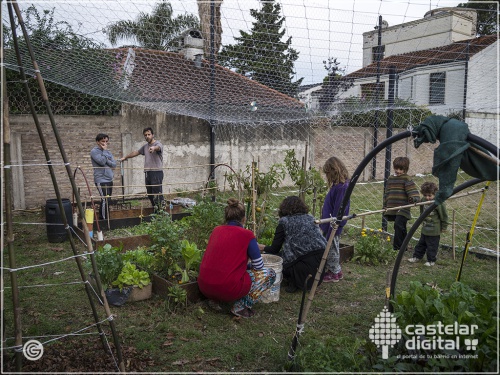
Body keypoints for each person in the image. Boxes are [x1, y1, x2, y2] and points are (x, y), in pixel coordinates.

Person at [198, 198, 276, 318]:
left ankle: (214, 300)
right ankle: (240, 307)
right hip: (227, 288)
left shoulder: (216, 230)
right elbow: (259, 267)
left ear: (226, 218)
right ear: (243, 219)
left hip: (204, 286)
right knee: (270, 274)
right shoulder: (247, 235)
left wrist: (245, 265)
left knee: (225, 273)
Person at [259, 196, 327, 293]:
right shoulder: (310, 218)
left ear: (283, 209)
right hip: (320, 263)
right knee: (292, 254)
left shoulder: (284, 222)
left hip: (302, 267)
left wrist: (261, 247)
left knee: (275, 259)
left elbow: (274, 249)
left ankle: (293, 280)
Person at [320, 156, 351, 283]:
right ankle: (333, 270)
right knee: (330, 245)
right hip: (329, 222)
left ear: (334, 170)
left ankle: (335, 272)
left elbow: (340, 207)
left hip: (334, 223)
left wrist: (337, 222)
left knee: (331, 247)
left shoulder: (342, 188)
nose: (327, 176)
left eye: (327, 173)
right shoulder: (337, 186)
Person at [121, 127, 164, 210]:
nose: (147, 136)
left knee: (157, 193)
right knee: (150, 193)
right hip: (148, 172)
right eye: (145, 135)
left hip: (156, 172)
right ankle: (155, 208)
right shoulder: (145, 146)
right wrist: (125, 157)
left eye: (149, 134)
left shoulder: (158, 144)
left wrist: (153, 148)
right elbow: (136, 152)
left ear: (153, 135)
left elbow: (158, 148)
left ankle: (160, 212)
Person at [383, 156, 420, 251]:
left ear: (405, 169)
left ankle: (397, 248)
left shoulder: (406, 178)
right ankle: (405, 245)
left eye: (401, 169)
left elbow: (412, 191)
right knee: (401, 227)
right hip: (393, 206)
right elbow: (387, 192)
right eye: (396, 168)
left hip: (403, 207)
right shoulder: (391, 178)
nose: (398, 171)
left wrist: (413, 199)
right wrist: (385, 205)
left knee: (398, 225)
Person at [408, 182, 448, 266]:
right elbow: (422, 211)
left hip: (434, 229)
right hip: (425, 227)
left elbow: (444, 215)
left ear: (435, 194)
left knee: (432, 246)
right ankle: (417, 257)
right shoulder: (423, 200)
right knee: (421, 244)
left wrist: (444, 226)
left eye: (429, 196)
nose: (427, 198)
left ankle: (431, 260)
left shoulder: (438, 202)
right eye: (425, 195)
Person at [90, 133, 117, 220]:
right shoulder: (94, 151)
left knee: (108, 200)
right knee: (104, 199)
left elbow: (114, 164)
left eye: (106, 141)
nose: (105, 144)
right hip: (101, 179)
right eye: (103, 141)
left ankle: (106, 217)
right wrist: (105, 154)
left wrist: (106, 160)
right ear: (97, 142)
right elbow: (101, 162)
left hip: (109, 178)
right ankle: (103, 219)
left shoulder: (108, 152)